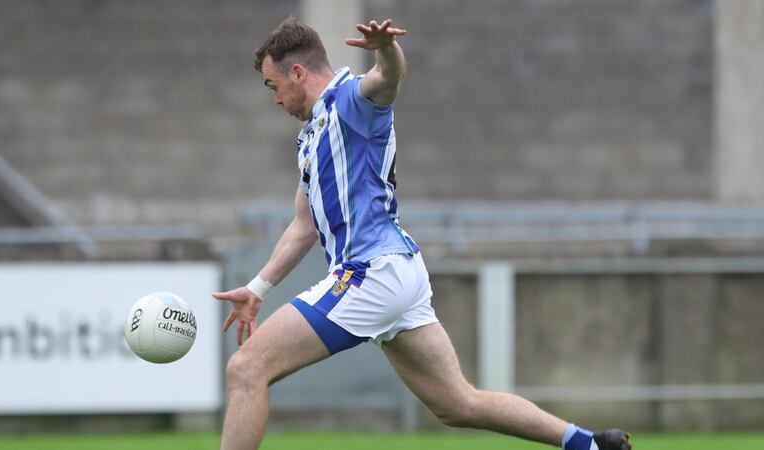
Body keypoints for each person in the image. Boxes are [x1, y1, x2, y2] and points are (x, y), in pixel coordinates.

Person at [212, 16, 632, 450]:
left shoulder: (350, 100)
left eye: (273, 85)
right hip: (398, 272)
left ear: (297, 72)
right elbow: (303, 225)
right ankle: (592, 445)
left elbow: (388, 78)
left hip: (369, 272)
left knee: (246, 368)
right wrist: (259, 286)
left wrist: (385, 49)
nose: (275, 99)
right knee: (458, 404)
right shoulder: (312, 136)